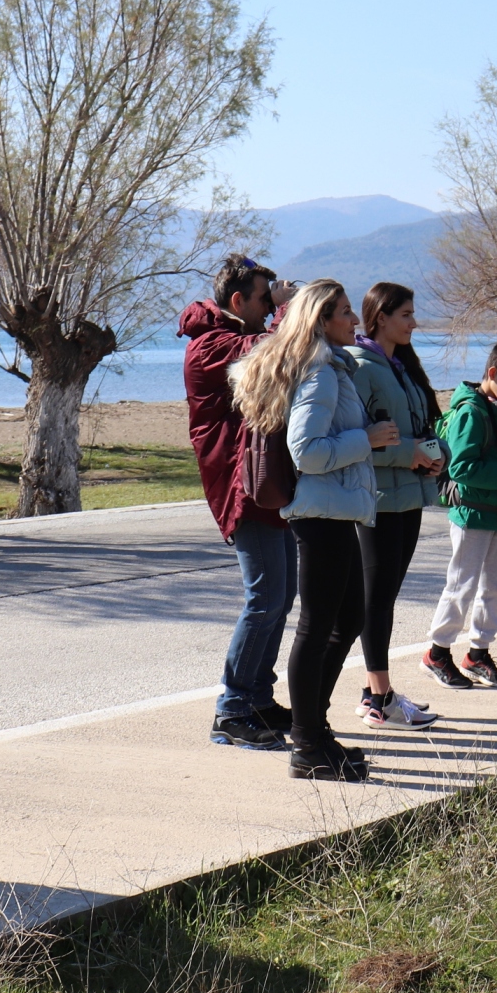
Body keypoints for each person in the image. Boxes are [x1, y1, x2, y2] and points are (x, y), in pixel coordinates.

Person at [232, 279, 398, 781]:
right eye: (346, 312)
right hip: (319, 514)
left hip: (336, 511)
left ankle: (315, 731)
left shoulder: (331, 367)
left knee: (344, 619)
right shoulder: (322, 373)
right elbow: (308, 452)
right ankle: (307, 746)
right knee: (318, 627)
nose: (355, 320)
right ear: (322, 321)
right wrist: (365, 439)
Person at [180, 254, 297, 751]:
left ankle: (257, 698)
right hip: (241, 487)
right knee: (264, 598)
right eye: (263, 299)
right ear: (237, 301)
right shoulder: (210, 346)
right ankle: (231, 709)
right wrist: (291, 311)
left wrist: (281, 309)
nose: (270, 306)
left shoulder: (231, 336)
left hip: (264, 481)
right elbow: (269, 353)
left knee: (281, 596)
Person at [343, 282, 447, 729]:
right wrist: (410, 454)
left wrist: (435, 452)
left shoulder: (400, 364)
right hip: (379, 500)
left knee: (386, 597)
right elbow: (362, 442)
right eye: (405, 314)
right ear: (380, 317)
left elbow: (421, 424)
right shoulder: (359, 367)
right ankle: (377, 697)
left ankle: (380, 692)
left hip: (411, 496)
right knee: (376, 599)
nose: (413, 322)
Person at [421, 340, 497, 690]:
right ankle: (437, 652)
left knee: (496, 589)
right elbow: (461, 467)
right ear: (492, 373)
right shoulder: (471, 413)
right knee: (461, 586)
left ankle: (478, 653)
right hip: (472, 515)